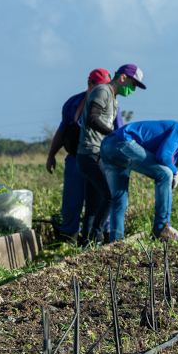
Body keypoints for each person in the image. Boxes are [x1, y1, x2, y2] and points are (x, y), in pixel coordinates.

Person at [100, 120, 178, 242]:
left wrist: (172, 175)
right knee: (165, 174)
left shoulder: (177, 154)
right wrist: (174, 172)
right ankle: (161, 227)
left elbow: (165, 161)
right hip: (122, 142)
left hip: (108, 146)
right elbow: (163, 156)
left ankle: (116, 241)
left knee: (120, 200)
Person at [45, 68, 121, 244]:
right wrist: (51, 155)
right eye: (98, 86)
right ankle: (69, 240)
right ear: (90, 84)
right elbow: (62, 129)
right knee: (72, 200)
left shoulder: (111, 101)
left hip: (100, 157)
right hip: (75, 159)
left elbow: (119, 131)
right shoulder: (73, 103)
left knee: (100, 199)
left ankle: (103, 236)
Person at [76, 64, 146, 244]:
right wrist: (114, 134)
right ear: (123, 78)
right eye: (133, 84)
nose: (133, 89)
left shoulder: (113, 98)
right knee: (110, 196)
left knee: (93, 205)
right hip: (91, 153)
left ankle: (87, 246)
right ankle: (95, 239)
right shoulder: (103, 91)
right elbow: (92, 118)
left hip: (95, 153)